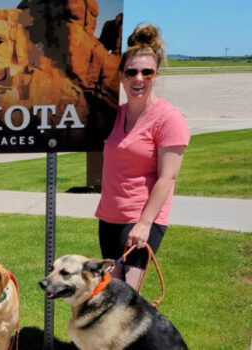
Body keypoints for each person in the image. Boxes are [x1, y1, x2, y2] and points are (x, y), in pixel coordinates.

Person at [95, 24, 190, 290]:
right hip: (110, 216)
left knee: (126, 296)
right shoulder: (116, 113)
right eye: (132, 72)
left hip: (141, 218)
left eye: (147, 72)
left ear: (156, 75)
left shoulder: (169, 119)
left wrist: (145, 224)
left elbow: (167, 177)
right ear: (122, 77)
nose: (139, 79)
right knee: (110, 293)